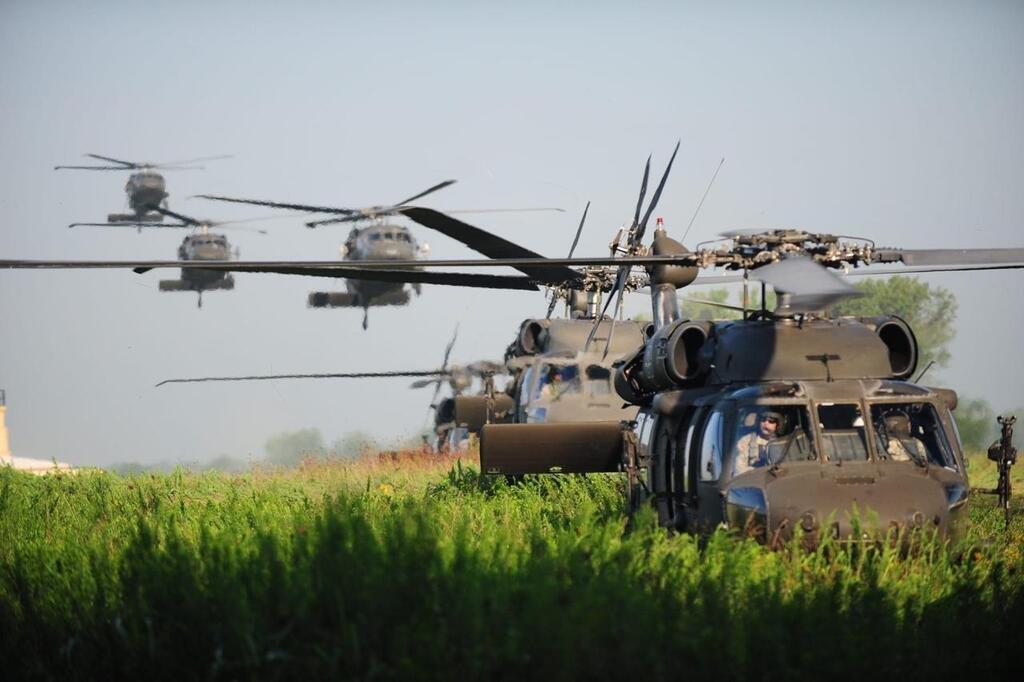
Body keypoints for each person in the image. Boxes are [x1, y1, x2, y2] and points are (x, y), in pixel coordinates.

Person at [733, 410, 782, 476]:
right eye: (763, 420)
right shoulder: (747, 441)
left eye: (771, 421)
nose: (766, 423)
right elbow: (738, 470)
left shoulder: (785, 441)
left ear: (778, 425)